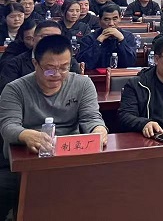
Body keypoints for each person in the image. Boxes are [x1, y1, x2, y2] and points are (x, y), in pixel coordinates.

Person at [0, 35, 107, 219]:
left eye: (64, 67)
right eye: (50, 68)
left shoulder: (83, 84)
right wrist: (25, 135)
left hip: (69, 159)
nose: (57, 74)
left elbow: (91, 118)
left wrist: (98, 129)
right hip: (27, 161)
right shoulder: (15, 89)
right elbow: (8, 126)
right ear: (35, 63)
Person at [0, 21, 81, 92]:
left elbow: (76, 88)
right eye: (45, 36)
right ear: (33, 39)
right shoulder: (15, 63)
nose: (50, 41)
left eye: (56, 37)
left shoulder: (70, 62)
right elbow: (7, 91)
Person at [76, 4, 137, 68]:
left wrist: (121, 41)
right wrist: (98, 42)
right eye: (107, 20)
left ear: (120, 19)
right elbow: (84, 63)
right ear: (100, 20)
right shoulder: (89, 38)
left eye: (115, 19)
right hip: (95, 73)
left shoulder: (128, 36)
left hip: (120, 73)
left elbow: (130, 62)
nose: (111, 24)